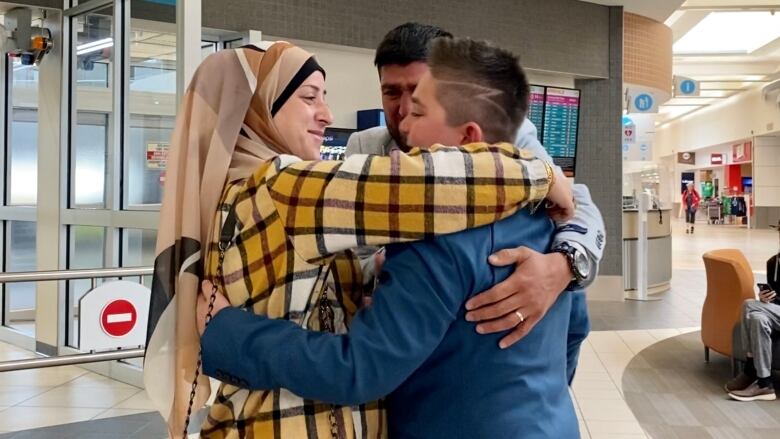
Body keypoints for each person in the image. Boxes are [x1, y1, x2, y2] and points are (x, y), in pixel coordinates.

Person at [144, 41, 571, 438]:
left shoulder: (249, 192)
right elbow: (417, 185)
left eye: (418, 112)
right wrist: (544, 174)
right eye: (309, 97)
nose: (327, 114)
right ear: (257, 110)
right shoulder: (283, 186)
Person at [347, 22, 603, 377]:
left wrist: (562, 267)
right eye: (392, 93)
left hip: (495, 349)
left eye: (417, 95)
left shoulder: (509, 135)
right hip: (405, 346)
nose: (404, 110)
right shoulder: (365, 147)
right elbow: (352, 256)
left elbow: (575, 203)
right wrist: (386, 268)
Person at [725, 220, 780, 402]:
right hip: (776, 313)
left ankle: (749, 369)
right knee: (757, 318)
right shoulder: (774, 262)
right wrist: (765, 298)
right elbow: (775, 295)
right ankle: (765, 383)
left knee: (749, 304)